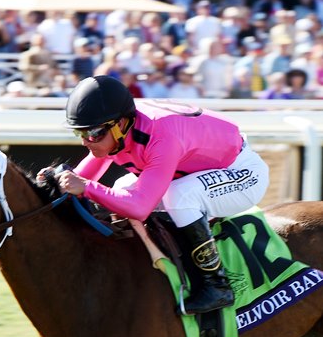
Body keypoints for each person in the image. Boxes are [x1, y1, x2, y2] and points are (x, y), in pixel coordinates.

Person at [38, 75, 270, 314]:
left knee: (179, 196)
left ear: (120, 124)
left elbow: (139, 207)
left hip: (242, 173)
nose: (87, 141)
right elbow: (92, 169)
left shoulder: (160, 137)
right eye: (80, 133)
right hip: (200, 170)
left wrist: (85, 187)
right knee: (120, 187)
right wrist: (62, 182)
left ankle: (217, 285)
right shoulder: (119, 127)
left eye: (94, 133)